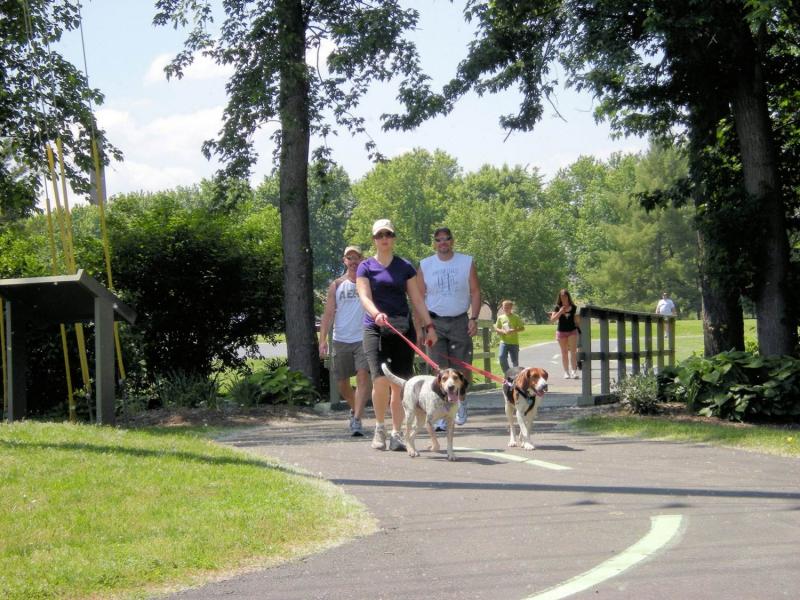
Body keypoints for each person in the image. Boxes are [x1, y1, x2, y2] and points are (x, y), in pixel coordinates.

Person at [356, 219, 438, 452]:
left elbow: (417, 299)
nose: (384, 238)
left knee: (399, 384)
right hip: (376, 328)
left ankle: (396, 432)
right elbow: (364, 296)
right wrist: (376, 313)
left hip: (402, 328)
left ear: (393, 238)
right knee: (380, 380)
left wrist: (429, 326)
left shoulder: (405, 266)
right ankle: (380, 427)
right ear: (374, 239)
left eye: (388, 234)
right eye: (380, 235)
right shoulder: (366, 267)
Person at [418, 226, 481, 428]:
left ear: (452, 241)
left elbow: (476, 291)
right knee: (438, 369)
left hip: (459, 320)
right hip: (434, 322)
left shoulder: (466, 262)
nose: (443, 242)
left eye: (446, 239)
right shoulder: (426, 265)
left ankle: (461, 403)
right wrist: (422, 326)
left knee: (462, 368)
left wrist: (474, 318)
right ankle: (441, 413)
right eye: (438, 240)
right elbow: (418, 298)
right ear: (434, 243)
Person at [318, 245, 371, 436]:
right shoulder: (337, 285)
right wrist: (322, 340)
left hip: (363, 338)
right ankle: (355, 408)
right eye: (350, 258)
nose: (353, 261)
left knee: (363, 375)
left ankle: (356, 420)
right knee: (342, 383)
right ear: (344, 261)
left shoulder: (367, 283)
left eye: (356, 257)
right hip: (340, 338)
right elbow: (328, 314)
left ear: (362, 260)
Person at [549, 288, 580, 379]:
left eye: (565, 297)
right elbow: (552, 320)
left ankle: (574, 371)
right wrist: (560, 312)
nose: (564, 299)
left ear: (568, 297)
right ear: (560, 297)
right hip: (561, 332)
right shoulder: (557, 307)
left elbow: (577, 321)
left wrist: (578, 320)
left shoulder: (574, 307)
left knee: (573, 352)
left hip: (572, 331)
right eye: (562, 297)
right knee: (564, 352)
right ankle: (566, 372)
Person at [494, 300, 525, 375]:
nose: (505, 308)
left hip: (514, 343)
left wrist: (513, 330)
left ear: (511, 308)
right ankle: (508, 373)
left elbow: (522, 328)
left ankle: (516, 376)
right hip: (503, 342)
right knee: (501, 357)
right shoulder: (500, 317)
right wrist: (503, 331)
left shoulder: (516, 317)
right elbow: (497, 329)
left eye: (508, 307)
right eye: (504, 307)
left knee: (515, 361)